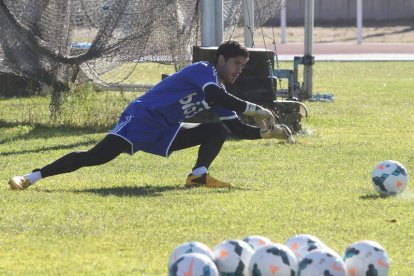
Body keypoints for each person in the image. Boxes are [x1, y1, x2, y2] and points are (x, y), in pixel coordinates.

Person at [8, 40, 294, 190]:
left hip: (167, 128)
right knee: (96, 157)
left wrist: (266, 133)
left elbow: (235, 128)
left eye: (243, 66)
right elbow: (217, 98)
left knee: (216, 130)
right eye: (236, 63)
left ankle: (198, 176)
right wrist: (255, 109)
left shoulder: (218, 87)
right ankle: (31, 177)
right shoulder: (204, 72)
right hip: (143, 118)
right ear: (220, 59)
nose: (239, 69)